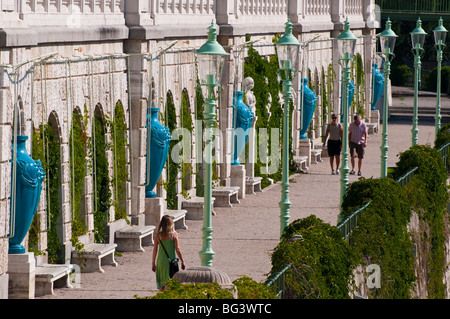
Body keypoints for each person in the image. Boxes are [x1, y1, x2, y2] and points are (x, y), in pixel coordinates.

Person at [152, 215, 186, 289]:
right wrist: (182, 261)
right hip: (171, 263)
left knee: (162, 287)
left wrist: (153, 263)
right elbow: (177, 249)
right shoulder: (174, 235)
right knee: (171, 285)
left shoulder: (158, 236)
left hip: (160, 262)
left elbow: (155, 250)